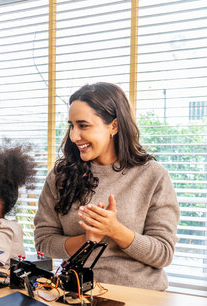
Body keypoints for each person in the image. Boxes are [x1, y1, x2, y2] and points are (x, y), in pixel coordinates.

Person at [34, 82, 179, 291]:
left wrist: (114, 230)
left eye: (83, 126)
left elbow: (163, 253)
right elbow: (44, 241)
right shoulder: (60, 176)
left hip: (140, 297)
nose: (74, 136)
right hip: (76, 293)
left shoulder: (153, 176)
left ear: (114, 126)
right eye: (71, 126)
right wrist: (86, 240)